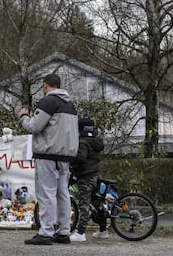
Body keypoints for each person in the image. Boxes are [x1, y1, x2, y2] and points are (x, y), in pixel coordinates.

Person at [18, 73, 78, 245]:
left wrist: (24, 116)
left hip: (48, 155)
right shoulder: (70, 105)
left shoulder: (48, 102)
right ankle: (64, 232)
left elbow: (34, 126)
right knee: (63, 194)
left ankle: (45, 233)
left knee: (46, 193)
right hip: (65, 156)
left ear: (45, 85)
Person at [69, 118, 108, 242]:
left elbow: (80, 158)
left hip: (85, 176)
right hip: (94, 174)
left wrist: (71, 162)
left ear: (80, 130)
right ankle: (103, 230)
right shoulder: (95, 141)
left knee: (84, 204)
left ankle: (80, 232)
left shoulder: (83, 142)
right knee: (97, 203)